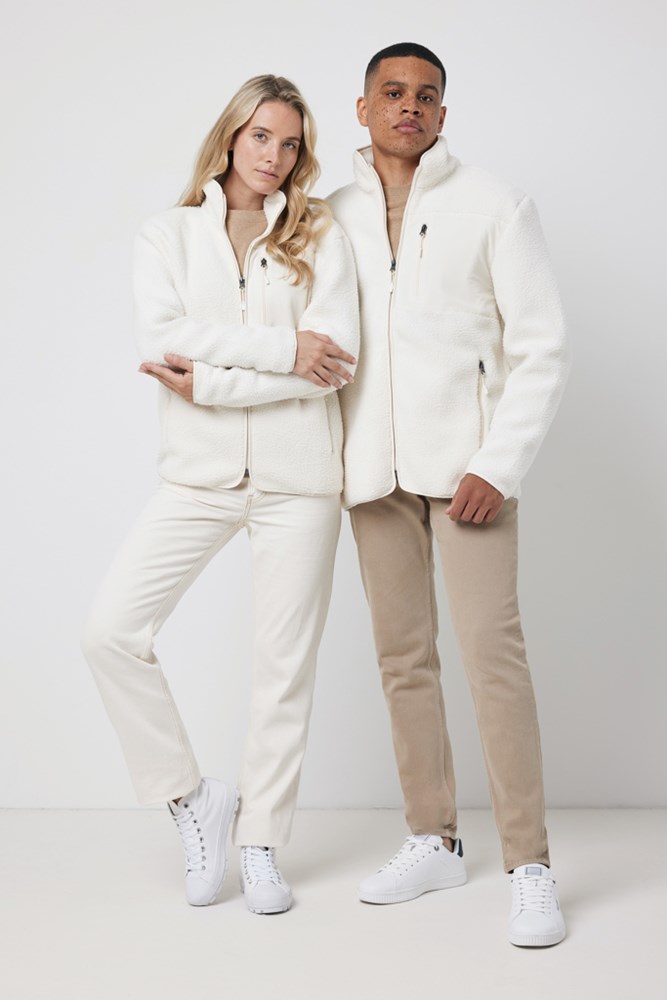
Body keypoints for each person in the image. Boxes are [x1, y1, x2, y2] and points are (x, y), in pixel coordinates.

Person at [82, 74, 359, 914]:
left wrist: (211, 382)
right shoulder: (166, 235)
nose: (274, 156)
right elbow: (167, 339)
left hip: (299, 481)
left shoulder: (322, 234)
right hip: (198, 476)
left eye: (290, 144)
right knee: (110, 632)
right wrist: (282, 351)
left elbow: (331, 364)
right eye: (261, 136)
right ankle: (192, 796)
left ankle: (262, 843)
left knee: (283, 669)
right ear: (231, 135)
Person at [329, 42, 569, 946]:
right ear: (362, 108)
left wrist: (496, 464)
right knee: (402, 660)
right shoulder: (326, 214)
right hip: (371, 473)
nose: (409, 106)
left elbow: (541, 346)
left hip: (471, 474)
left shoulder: (494, 204)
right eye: (391, 92)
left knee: (491, 661)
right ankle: (431, 838)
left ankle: (529, 864)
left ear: (442, 113)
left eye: (425, 95)